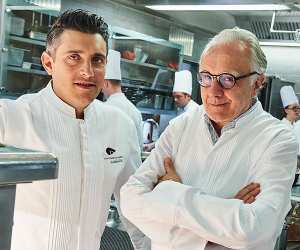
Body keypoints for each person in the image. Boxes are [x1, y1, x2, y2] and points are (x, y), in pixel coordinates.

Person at [120, 27, 298, 250]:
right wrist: (218, 228)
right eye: (206, 77)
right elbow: (129, 200)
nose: (213, 91)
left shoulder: (278, 139)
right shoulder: (181, 126)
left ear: (257, 83)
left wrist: (168, 193)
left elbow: (255, 231)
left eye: (227, 79)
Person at [0, 10, 146, 250]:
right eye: (74, 57)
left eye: (97, 59)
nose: (87, 72)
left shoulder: (119, 125)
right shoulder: (11, 117)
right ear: (49, 63)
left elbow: (135, 206)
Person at [102, 49, 143, 149]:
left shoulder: (104, 109)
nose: (101, 90)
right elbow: (139, 146)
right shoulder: (135, 111)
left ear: (106, 83)